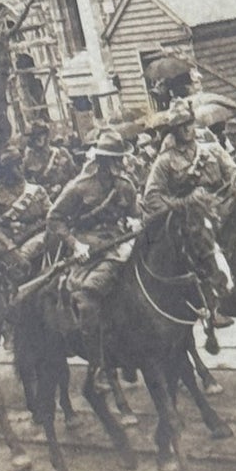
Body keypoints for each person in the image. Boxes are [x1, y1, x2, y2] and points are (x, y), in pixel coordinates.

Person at [141, 99, 236, 327]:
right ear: (174, 130)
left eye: (189, 123)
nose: (186, 129)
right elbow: (152, 198)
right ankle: (212, 306)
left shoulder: (212, 149)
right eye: (180, 126)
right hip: (192, 218)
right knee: (201, 246)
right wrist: (185, 204)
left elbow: (234, 172)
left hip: (221, 208)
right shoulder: (165, 162)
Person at [46, 128, 141, 326]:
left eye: (120, 158)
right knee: (88, 295)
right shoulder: (80, 186)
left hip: (119, 241)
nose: (120, 164)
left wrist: (135, 223)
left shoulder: (125, 185)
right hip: (88, 246)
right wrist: (75, 244)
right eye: (114, 159)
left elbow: (136, 214)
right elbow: (54, 217)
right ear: (102, 161)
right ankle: (94, 348)